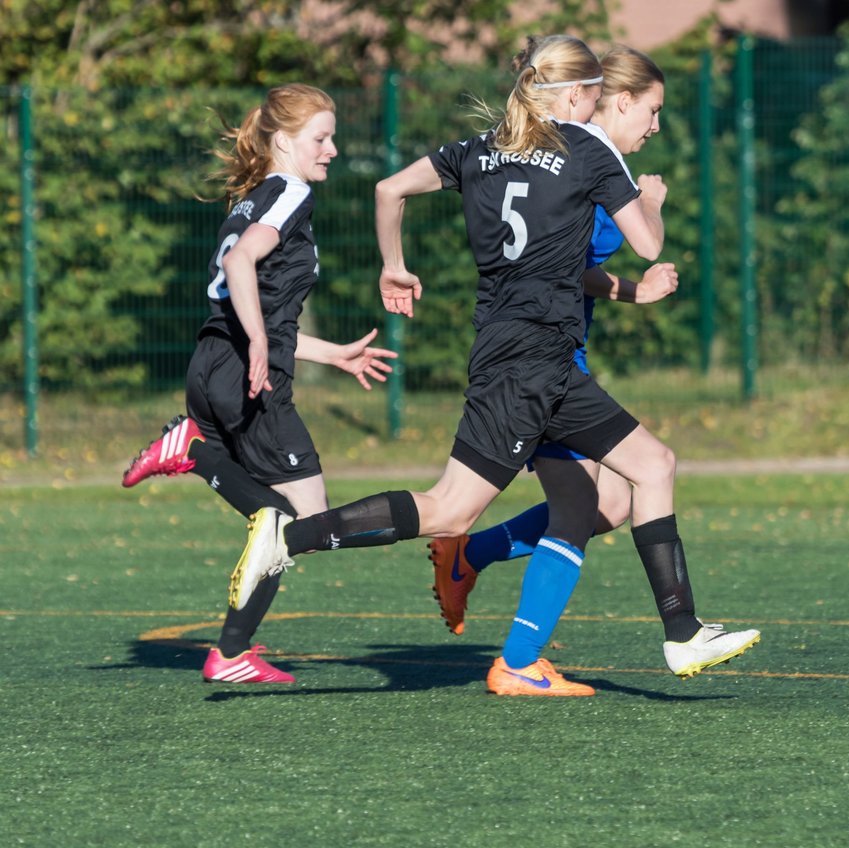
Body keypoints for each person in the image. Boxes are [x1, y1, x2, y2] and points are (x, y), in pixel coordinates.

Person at [229, 35, 760, 697]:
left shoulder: (480, 148)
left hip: (515, 354)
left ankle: (681, 632)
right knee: (451, 510)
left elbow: (390, 188)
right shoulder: (585, 149)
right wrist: (646, 197)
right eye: (594, 95)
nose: (599, 107)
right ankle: (290, 539)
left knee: (647, 470)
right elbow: (649, 242)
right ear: (574, 95)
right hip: (536, 363)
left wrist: (393, 265)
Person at [428, 46, 754, 682]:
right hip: (544, 361)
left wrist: (630, 292)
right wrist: (650, 202)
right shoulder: (591, 162)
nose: (655, 128)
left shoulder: (567, 155)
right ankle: (517, 644)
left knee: (598, 506)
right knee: (606, 498)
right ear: (619, 100)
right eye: (652, 111)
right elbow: (615, 247)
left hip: (545, 353)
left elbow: (571, 268)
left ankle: (473, 564)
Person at [121, 83, 397, 684]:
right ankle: (191, 451)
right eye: (320, 139)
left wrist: (327, 354)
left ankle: (231, 652)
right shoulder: (289, 192)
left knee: (281, 519)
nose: (332, 149)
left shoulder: (254, 196)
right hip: (248, 376)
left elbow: (257, 305)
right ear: (282, 141)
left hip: (214, 366)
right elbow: (240, 264)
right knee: (302, 517)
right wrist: (266, 345)